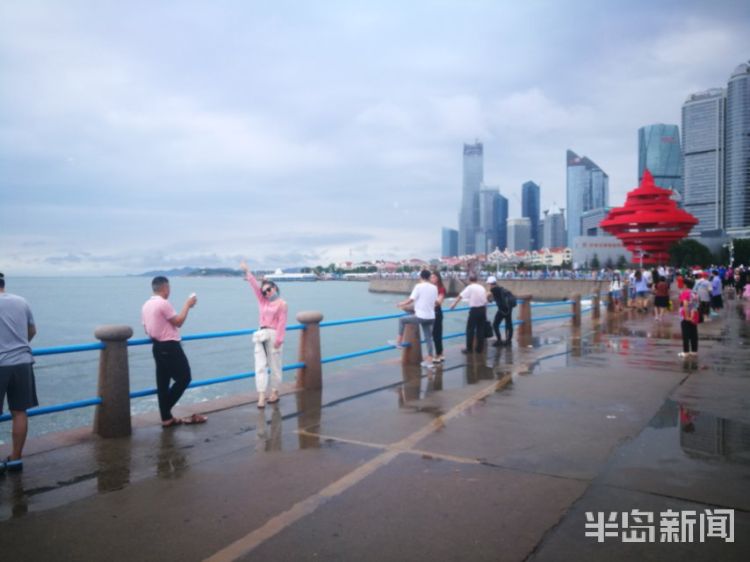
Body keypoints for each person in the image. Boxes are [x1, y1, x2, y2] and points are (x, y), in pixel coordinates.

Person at [141, 276, 206, 427]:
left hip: (157, 347)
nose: (169, 291)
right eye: (168, 288)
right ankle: (165, 409)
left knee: (162, 382)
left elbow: (146, 329)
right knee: (184, 378)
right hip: (169, 346)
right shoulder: (163, 303)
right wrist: (187, 305)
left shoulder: (146, 305)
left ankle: (166, 418)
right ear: (165, 288)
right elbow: (178, 322)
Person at [0, 273, 38, 473]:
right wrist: (18, 346)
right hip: (22, 362)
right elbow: (32, 330)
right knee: (19, 412)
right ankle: (15, 459)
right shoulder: (21, 301)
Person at [240, 261, 288, 408]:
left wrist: (279, 340)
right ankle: (261, 395)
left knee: (275, 365)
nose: (266, 293)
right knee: (260, 366)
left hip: (274, 335)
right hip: (261, 334)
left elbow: (282, 323)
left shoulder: (282, 304)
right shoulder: (262, 301)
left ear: (275, 288)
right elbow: (255, 286)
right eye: (264, 291)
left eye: (269, 290)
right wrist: (248, 272)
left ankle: (274, 391)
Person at [390, 269, 438, 367]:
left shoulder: (418, 286)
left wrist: (400, 304)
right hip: (431, 317)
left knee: (402, 320)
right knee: (428, 338)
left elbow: (411, 300)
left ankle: (398, 342)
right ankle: (429, 360)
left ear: (421, 277)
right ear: (429, 277)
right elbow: (433, 302)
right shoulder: (434, 287)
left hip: (421, 316)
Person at [449, 273, 488, 354]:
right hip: (482, 310)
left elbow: (460, 296)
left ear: (469, 280)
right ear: (476, 280)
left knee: (470, 329)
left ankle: (469, 349)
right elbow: (485, 301)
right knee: (480, 330)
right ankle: (479, 349)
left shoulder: (470, 287)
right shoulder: (482, 287)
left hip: (474, 310)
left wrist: (454, 304)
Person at [487, 276, 514, 346]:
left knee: (495, 325)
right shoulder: (501, 288)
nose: (488, 285)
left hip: (502, 310)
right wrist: (490, 300)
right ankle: (508, 341)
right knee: (509, 324)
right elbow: (497, 298)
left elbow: (487, 295)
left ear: (490, 283)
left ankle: (499, 340)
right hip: (509, 308)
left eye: (488, 284)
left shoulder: (493, 289)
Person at [678, 278, 700, 357]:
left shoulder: (685, 293)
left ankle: (686, 352)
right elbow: (696, 305)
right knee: (693, 333)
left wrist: (687, 316)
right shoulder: (694, 293)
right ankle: (694, 351)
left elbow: (685, 305)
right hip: (694, 315)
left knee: (686, 334)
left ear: (685, 285)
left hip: (686, 316)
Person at [430, 271, 447, 364]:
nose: (432, 279)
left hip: (437, 313)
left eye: (433, 277)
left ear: (438, 278)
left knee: (437, 334)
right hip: (431, 313)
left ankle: (438, 354)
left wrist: (431, 300)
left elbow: (439, 302)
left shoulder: (441, 289)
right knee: (434, 334)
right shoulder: (431, 288)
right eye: (431, 277)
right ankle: (440, 353)